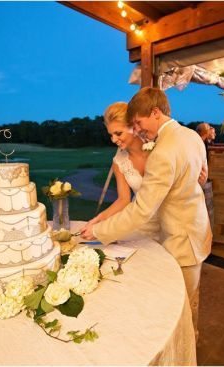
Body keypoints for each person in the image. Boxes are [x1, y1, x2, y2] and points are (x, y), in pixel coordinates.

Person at [81, 87, 212, 337]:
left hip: (180, 237)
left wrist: (99, 231)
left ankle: (184, 351)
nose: (139, 129)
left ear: (153, 113)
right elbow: (197, 177)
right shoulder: (191, 135)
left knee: (180, 307)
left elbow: (141, 209)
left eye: (138, 123)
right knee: (175, 299)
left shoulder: (161, 150)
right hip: (188, 230)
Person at [88, 102, 207, 238]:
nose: (114, 139)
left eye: (118, 133)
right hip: (141, 224)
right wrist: (99, 220)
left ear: (134, 127)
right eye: (111, 135)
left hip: (173, 226)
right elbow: (123, 200)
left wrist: (197, 183)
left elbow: (181, 186)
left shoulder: (161, 147)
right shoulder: (119, 162)